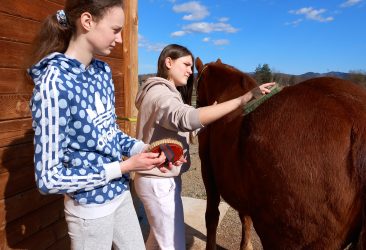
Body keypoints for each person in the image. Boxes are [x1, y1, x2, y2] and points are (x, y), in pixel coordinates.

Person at [27, 1, 169, 249]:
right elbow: (48, 179)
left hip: (120, 194)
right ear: (87, 21)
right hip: (89, 211)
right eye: (115, 30)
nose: (121, 40)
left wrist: (144, 150)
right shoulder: (54, 84)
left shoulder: (102, 72)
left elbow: (109, 133)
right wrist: (124, 166)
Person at [134, 44, 275, 250]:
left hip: (158, 177)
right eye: (186, 64)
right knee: (172, 244)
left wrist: (209, 114)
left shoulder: (159, 92)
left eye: (192, 66)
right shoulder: (161, 95)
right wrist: (242, 99)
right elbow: (184, 118)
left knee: (157, 241)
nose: (191, 70)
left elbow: (180, 127)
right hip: (158, 182)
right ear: (168, 62)